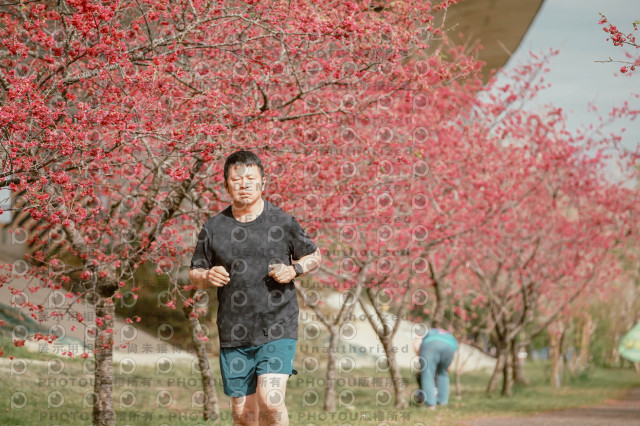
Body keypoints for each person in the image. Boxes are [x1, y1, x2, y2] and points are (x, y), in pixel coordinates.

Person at [189, 150, 321, 426]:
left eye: (251, 178)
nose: (244, 184)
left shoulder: (283, 222)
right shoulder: (213, 228)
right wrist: (207, 276)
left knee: (270, 399)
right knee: (243, 416)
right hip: (234, 332)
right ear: (226, 185)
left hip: (277, 327)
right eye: (237, 179)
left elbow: (314, 255)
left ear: (263, 182)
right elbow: (195, 272)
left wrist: (294, 269)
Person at [413, 327, 458, 409]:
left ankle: (431, 404)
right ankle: (443, 402)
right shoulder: (449, 336)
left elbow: (416, 343)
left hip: (430, 346)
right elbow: (454, 352)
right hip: (449, 348)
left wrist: (421, 359)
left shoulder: (429, 332)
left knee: (427, 373)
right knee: (443, 373)